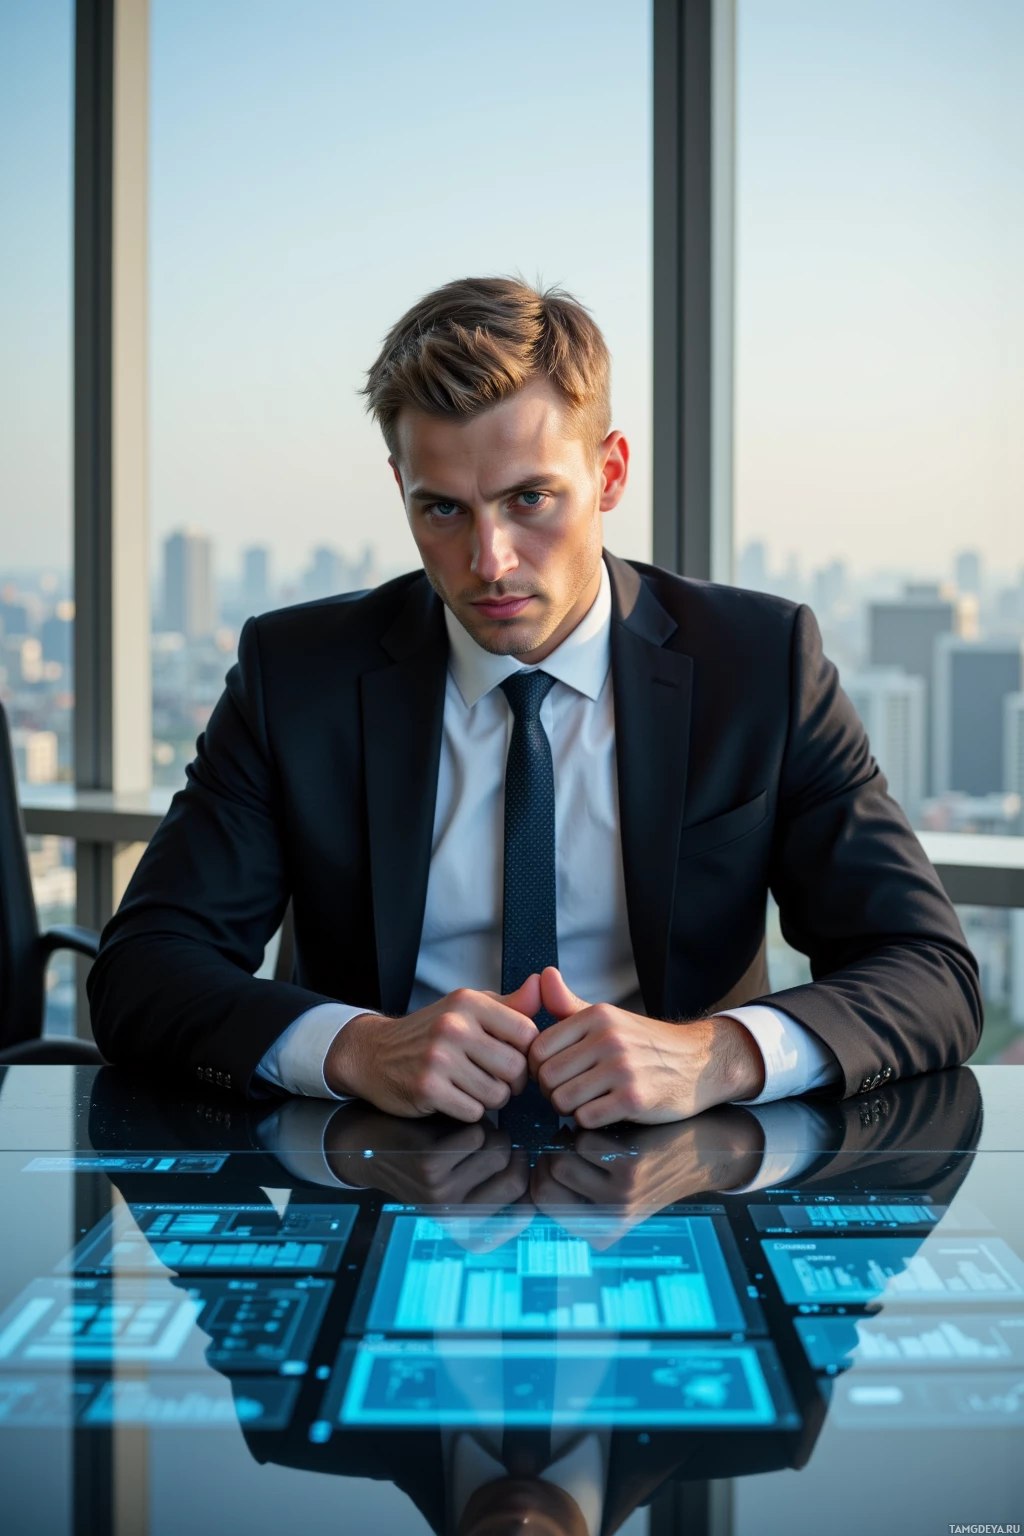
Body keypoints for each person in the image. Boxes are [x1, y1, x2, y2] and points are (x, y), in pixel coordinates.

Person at [88, 277, 981, 1124]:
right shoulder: (297, 673)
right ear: (400, 488)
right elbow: (144, 970)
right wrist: (356, 1049)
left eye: (530, 499)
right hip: (381, 1164)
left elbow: (929, 969)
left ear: (611, 473)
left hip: (676, 1173)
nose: (491, 561)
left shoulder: (758, 663)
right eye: (443, 510)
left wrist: (717, 1056)